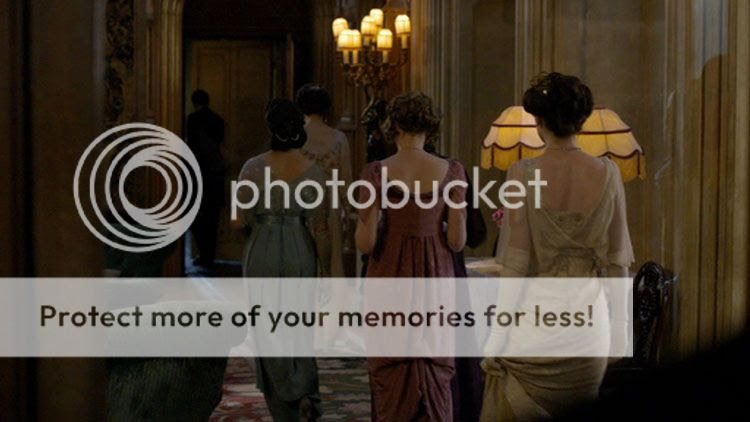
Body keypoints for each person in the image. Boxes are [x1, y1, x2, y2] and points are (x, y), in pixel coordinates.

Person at [480, 72, 634, 420]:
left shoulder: (522, 173)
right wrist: (621, 333)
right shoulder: (608, 173)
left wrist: (497, 336)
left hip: (534, 324)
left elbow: (516, 264)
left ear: (540, 121)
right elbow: (618, 261)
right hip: (588, 330)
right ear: (581, 120)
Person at [356, 91, 468, 421]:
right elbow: (457, 241)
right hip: (435, 274)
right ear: (430, 128)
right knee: (435, 366)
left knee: (390, 367)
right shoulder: (453, 171)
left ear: (394, 126)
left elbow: (365, 243)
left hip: (390, 272)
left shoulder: (376, 172)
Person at [234, 98, 332, 421]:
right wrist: (326, 272)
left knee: (266, 328)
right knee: (299, 326)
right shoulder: (314, 171)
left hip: (262, 246)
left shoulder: (252, 167)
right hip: (299, 246)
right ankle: (305, 391)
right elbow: (321, 228)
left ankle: (285, 403)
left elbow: (237, 220)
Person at [295, 83, 350, 277]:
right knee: (333, 262)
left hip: (301, 202)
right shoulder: (339, 138)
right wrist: (350, 210)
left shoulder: (295, 137)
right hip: (330, 205)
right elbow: (345, 181)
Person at [187, 89, 226, 267]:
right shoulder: (218, 120)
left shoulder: (192, 120)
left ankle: (203, 254)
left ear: (194, 103)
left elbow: (190, 145)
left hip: (198, 173)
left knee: (197, 219)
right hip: (215, 174)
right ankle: (209, 256)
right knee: (212, 220)